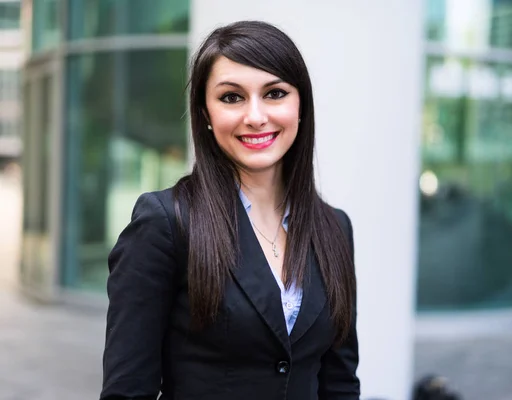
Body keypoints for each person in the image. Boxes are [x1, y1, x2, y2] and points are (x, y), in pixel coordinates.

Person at [100, 20, 360, 400]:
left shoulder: (334, 227)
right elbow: (127, 391)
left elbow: (339, 383)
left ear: (300, 105)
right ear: (205, 113)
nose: (255, 116)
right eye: (231, 97)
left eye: (274, 93)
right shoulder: (165, 223)